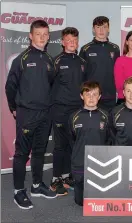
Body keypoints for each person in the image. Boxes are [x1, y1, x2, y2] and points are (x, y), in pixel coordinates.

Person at [5, 20, 57, 210]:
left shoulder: (50, 59)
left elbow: (51, 85)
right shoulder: (22, 59)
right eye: (38, 34)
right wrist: (14, 107)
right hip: (27, 114)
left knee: (39, 151)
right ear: (30, 36)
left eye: (45, 34)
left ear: (49, 36)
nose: (42, 38)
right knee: (21, 154)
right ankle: (18, 191)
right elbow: (10, 86)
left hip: (45, 115)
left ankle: (36, 185)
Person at [50, 27, 87, 196]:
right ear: (63, 42)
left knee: (73, 145)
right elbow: (48, 85)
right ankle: (55, 179)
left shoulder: (81, 62)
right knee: (60, 146)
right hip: (59, 109)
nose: (72, 43)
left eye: (75, 40)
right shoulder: (56, 61)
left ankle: (66, 177)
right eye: (69, 40)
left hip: (77, 110)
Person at [70, 81, 110, 206]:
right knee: (80, 202)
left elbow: (109, 138)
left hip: (100, 164)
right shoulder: (74, 117)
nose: (91, 98)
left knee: (99, 201)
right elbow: (72, 140)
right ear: (82, 96)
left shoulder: (106, 116)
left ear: (99, 96)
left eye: (94, 94)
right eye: (88, 94)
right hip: (80, 163)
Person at [79, 16, 120, 112]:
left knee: (109, 125)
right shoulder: (86, 49)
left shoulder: (115, 48)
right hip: (91, 96)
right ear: (93, 29)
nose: (101, 30)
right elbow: (81, 75)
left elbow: (118, 72)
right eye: (98, 27)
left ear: (108, 29)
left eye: (104, 27)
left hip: (110, 96)